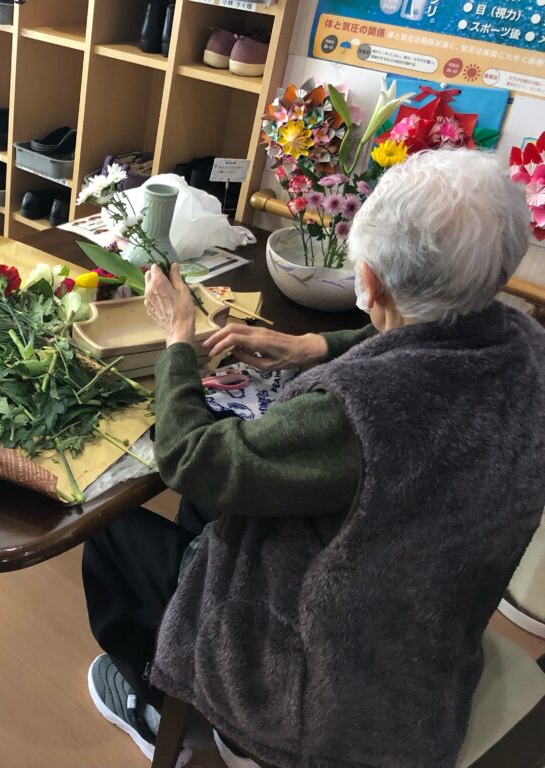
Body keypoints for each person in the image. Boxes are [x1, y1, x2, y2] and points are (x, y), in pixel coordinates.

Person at [82, 148, 545, 768]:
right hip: (429, 614)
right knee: (209, 503)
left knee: (108, 527)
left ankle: (153, 699)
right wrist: (313, 345)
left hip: (321, 681)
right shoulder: (528, 348)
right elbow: (427, 333)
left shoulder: (356, 415)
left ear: (369, 282)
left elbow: (191, 458)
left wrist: (177, 342)